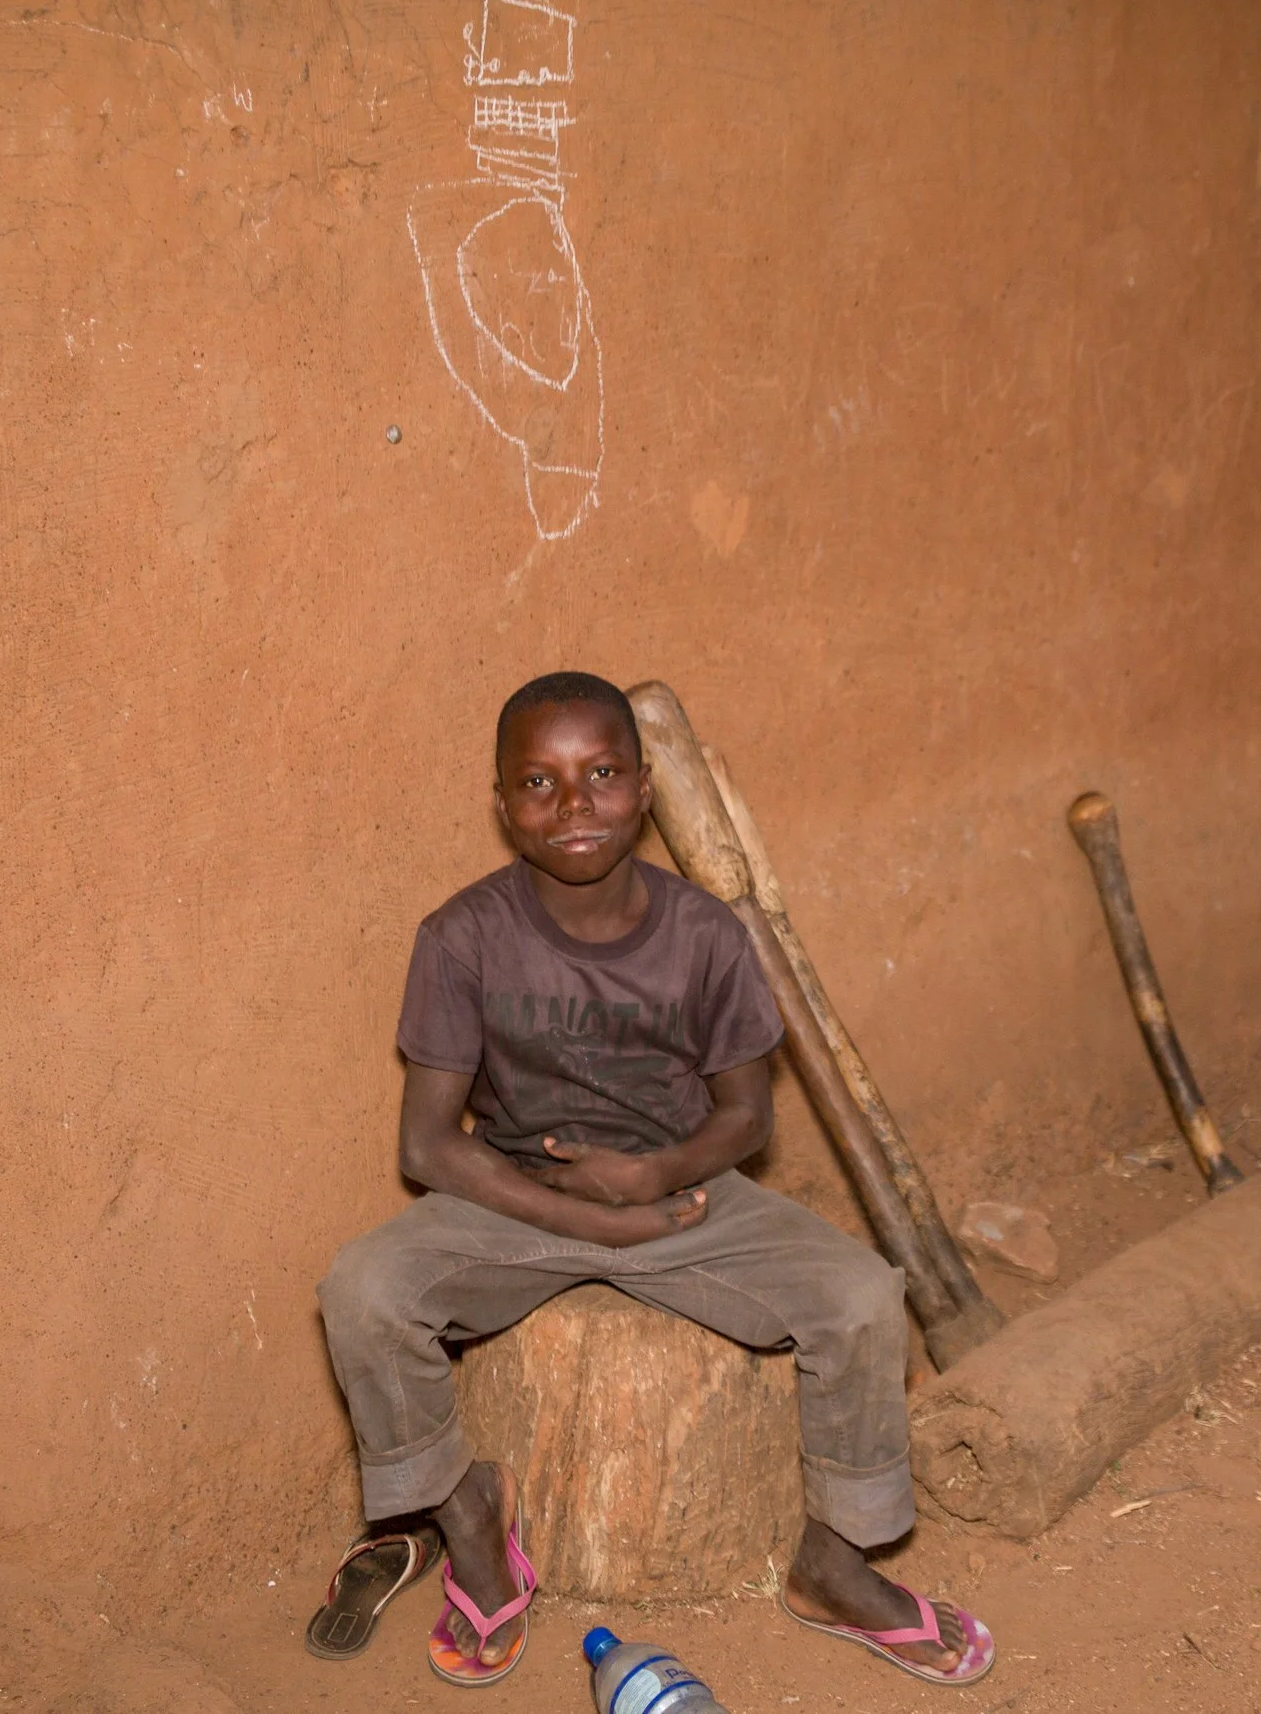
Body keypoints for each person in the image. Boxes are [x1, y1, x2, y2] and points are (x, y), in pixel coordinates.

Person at [314, 671, 993, 1689]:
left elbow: (747, 1113)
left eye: (600, 774)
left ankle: (835, 1560)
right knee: (362, 1290)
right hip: (513, 1198)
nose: (573, 805)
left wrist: (651, 1179)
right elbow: (428, 1144)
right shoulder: (464, 935)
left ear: (642, 787)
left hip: (685, 1200)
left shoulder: (705, 936)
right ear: (503, 805)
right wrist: (582, 1216)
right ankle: (471, 1521)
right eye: (538, 782)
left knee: (858, 1298)